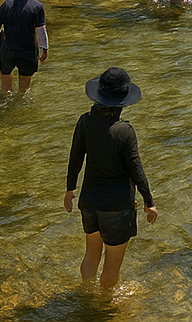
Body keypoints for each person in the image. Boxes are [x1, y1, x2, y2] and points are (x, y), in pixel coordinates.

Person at [64, 67, 156, 290]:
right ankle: (104, 304)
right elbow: (136, 169)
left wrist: (70, 190)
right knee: (112, 265)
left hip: (89, 201)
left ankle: (87, 295)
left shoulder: (84, 121)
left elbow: (75, 157)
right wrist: (149, 202)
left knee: (91, 254)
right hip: (116, 206)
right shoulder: (124, 131)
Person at [0, 0, 48, 96]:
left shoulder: (6, 4)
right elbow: (41, 31)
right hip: (27, 51)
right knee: (23, 92)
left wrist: (1, 45)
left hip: (8, 50)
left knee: (5, 90)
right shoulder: (38, 6)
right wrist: (44, 50)